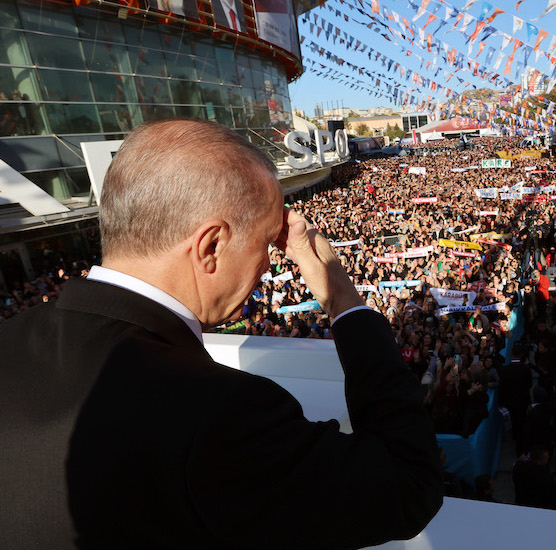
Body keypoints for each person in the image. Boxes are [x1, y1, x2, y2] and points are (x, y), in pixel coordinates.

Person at [0, 120, 442, 548]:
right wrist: (343, 300)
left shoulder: (11, 338)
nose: (270, 264)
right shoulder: (219, 414)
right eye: (267, 243)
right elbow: (408, 482)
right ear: (211, 246)